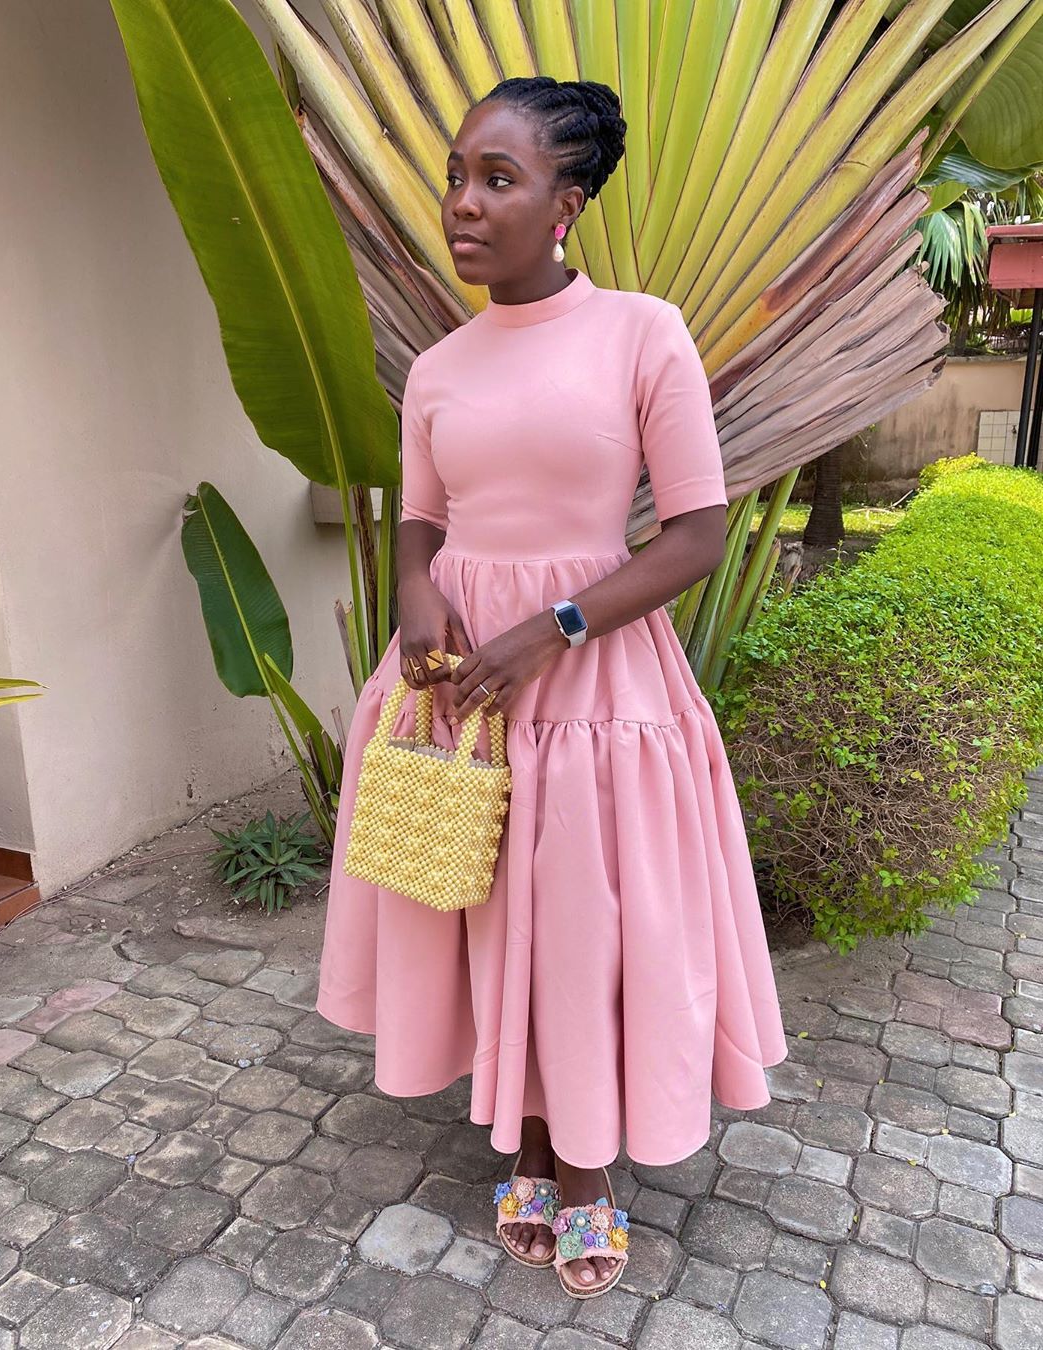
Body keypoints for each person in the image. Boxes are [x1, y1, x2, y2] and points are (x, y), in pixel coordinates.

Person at [316, 75, 789, 1299]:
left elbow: (696, 533)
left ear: (566, 204)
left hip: (596, 679)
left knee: (581, 923)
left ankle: (583, 1168)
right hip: (457, 683)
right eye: (457, 176)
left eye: (498, 179)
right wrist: (416, 602)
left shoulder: (643, 332)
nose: (463, 204)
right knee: (483, 906)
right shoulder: (439, 367)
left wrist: (554, 627)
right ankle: (526, 1137)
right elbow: (421, 522)